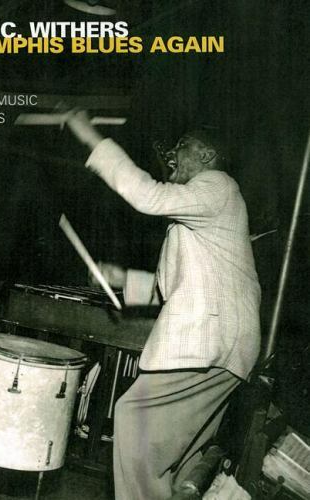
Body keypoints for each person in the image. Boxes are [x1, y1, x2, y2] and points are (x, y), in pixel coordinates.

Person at [66, 111, 261, 499]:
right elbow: (171, 290)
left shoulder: (217, 185)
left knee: (133, 419)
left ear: (206, 155)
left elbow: (147, 195)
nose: (172, 154)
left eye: (182, 147)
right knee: (182, 463)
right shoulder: (199, 215)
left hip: (209, 342)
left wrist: (92, 139)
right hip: (228, 350)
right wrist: (123, 280)